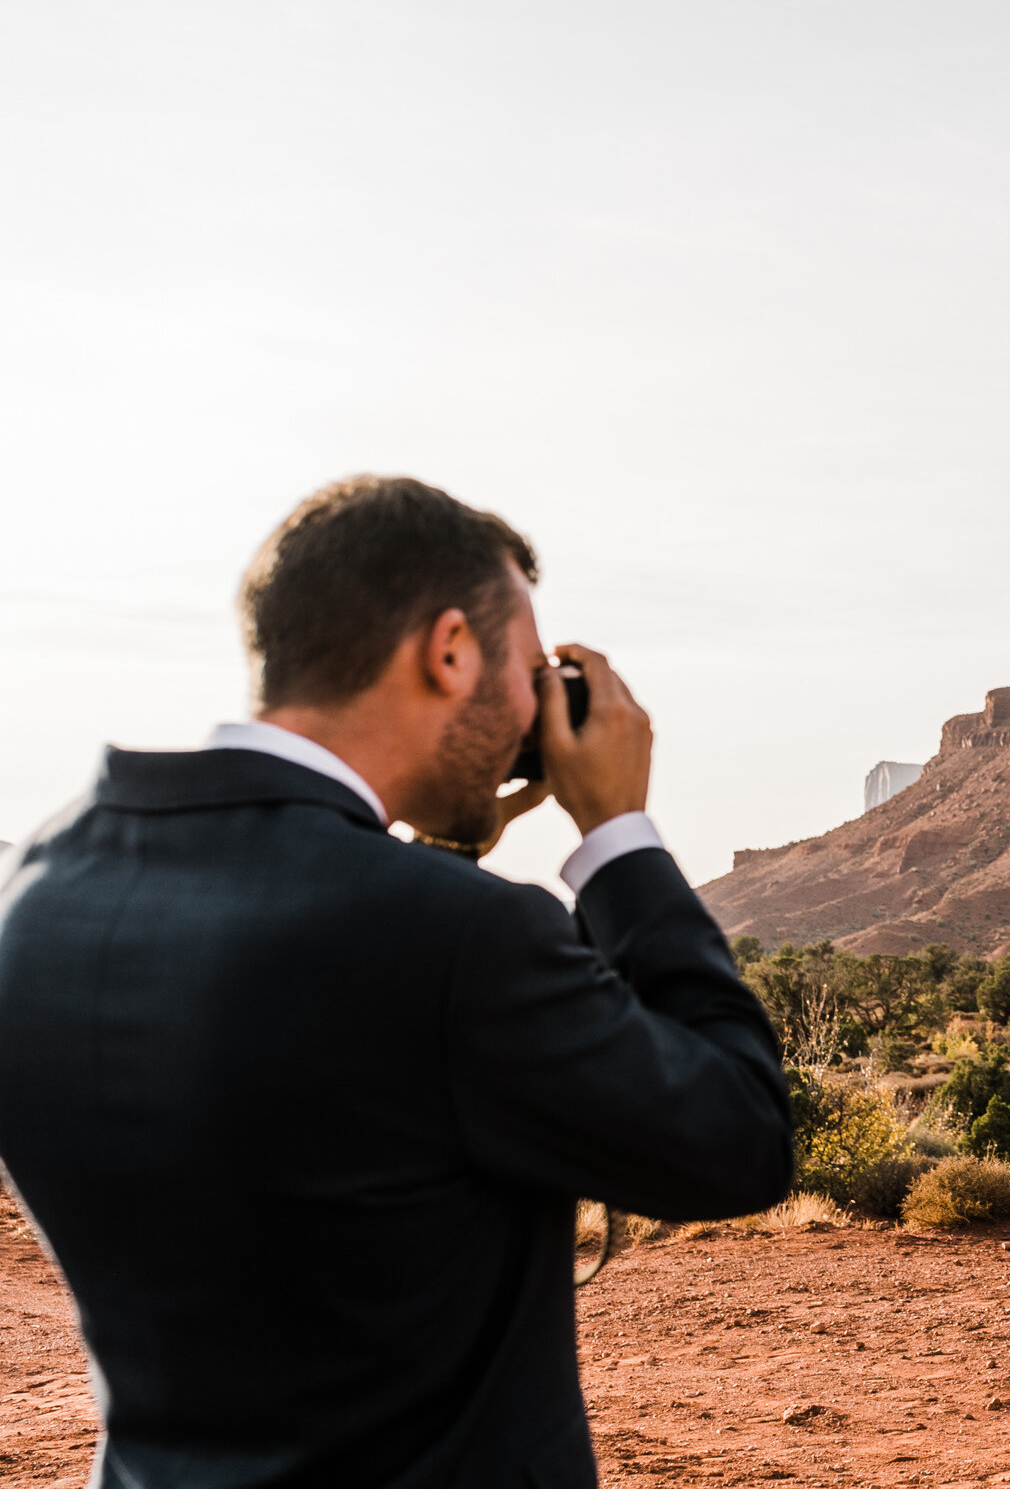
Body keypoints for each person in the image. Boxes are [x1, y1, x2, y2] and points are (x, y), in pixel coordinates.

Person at [0, 476, 793, 1488]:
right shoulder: (458, 941)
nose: (532, 712)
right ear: (450, 648)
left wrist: (430, 852)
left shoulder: (40, 882)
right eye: (527, 671)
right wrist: (617, 837)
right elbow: (739, 1139)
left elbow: (320, 1035)